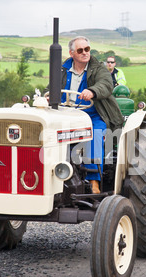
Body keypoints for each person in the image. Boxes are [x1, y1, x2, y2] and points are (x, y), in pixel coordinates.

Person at [60, 36, 124, 193]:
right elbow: (51, 87)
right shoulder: (62, 70)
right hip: (66, 115)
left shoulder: (98, 68)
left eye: (87, 49)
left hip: (93, 115)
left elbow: (106, 84)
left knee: (93, 134)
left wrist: (92, 91)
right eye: (80, 50)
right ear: (72, 53)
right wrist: (49, 95)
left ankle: (94, 181)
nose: (85, 53)